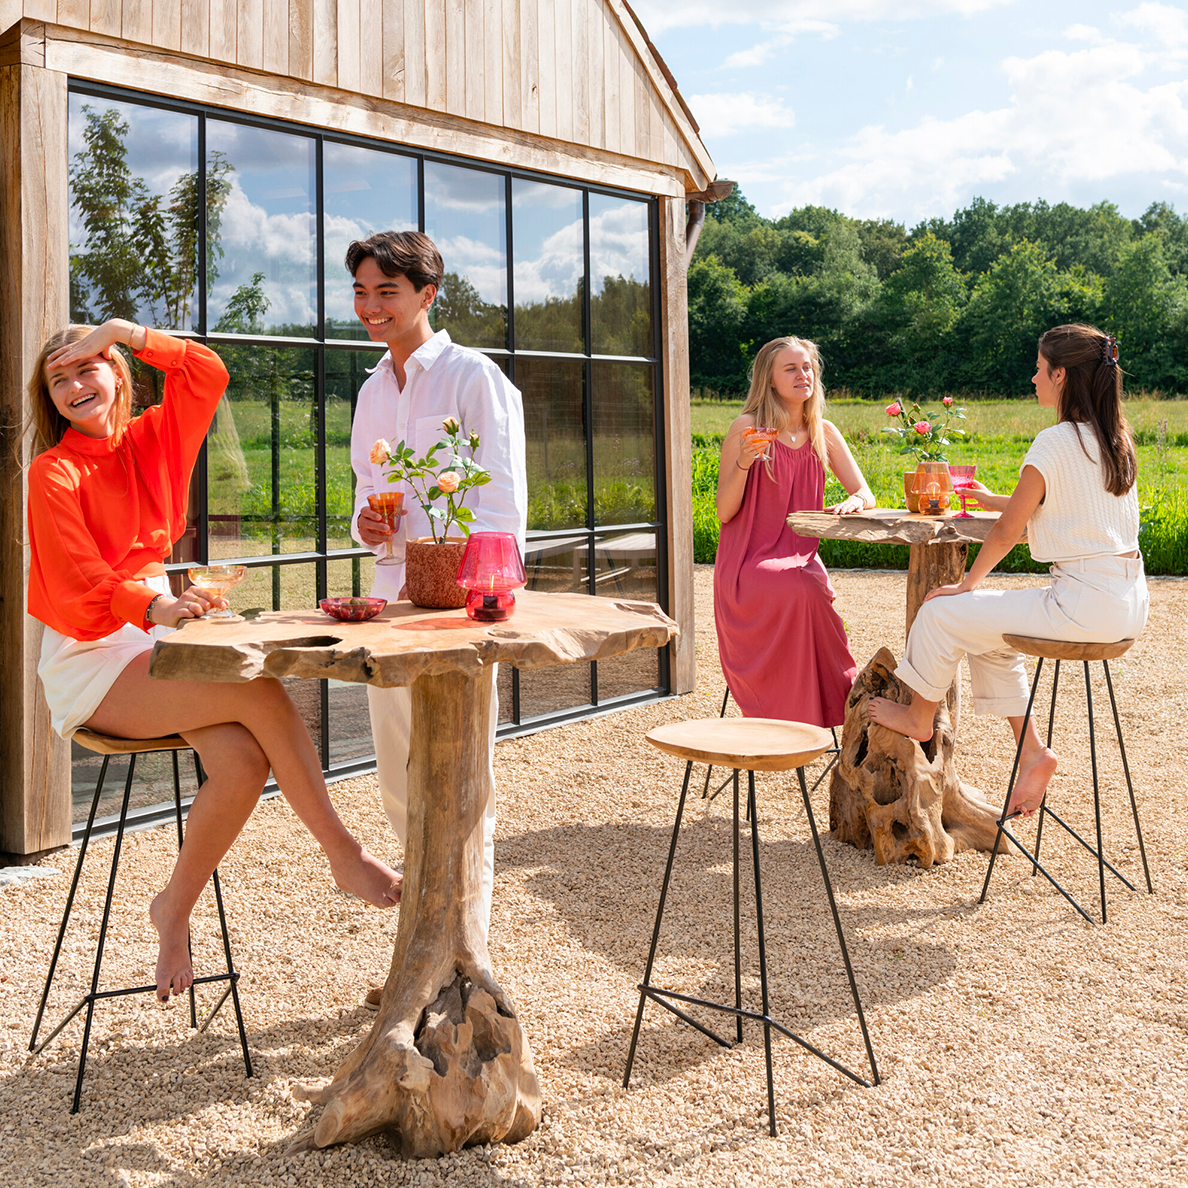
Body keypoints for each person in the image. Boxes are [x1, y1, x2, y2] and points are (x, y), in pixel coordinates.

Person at [27, 319, 402, 1002]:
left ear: (118, 374)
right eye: (59, 378)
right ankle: (342, 855)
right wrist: (156, 607)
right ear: (49, 399)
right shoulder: (54, 471)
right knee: (256, 689)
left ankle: (173, 906)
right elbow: (81, 577)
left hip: (151, 641)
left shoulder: (148, 439)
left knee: (241, 762)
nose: (77, 384)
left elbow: (207, 373)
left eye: (89, 366)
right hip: (92, 657)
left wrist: (125, 330)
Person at [869, 323, 1148, 817]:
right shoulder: (1113, 438)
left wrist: (965, 584)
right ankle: (1032, 752)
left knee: (942, 613)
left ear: (1061, 375)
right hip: (1126, 606)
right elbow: (1063, 507)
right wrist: (995, 499)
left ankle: (918, 716)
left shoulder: (1055, 440)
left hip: (1082, 605)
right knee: (987, 630)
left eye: (1040, 369)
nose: (1033, 378)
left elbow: (1007, 532)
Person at [347, 231, 528, 975]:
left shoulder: (473, 377)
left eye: (386, 291)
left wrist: (489, 599)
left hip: (458, 605)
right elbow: (367, 497)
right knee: (398, 775)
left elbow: (505, 499)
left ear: (427, 294)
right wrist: (368, 522)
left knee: (460, 779)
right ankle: (423, 946)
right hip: (389, 603)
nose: (370, 307)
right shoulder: (369, 390)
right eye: (361, 292)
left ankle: (465, 954)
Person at [714, 336, 875, 727]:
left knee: (809, 587)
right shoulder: (748, 428)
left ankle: (829, 709)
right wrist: (742, 463)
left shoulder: (824, 432)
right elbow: (724, 511)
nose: (803, 375)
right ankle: (814, 711)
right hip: (748, 563)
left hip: (801, 558)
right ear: (769, 379)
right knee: (805, 590)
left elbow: (864, 490)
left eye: (807, 368)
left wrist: (855, 501)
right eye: (791, 368)